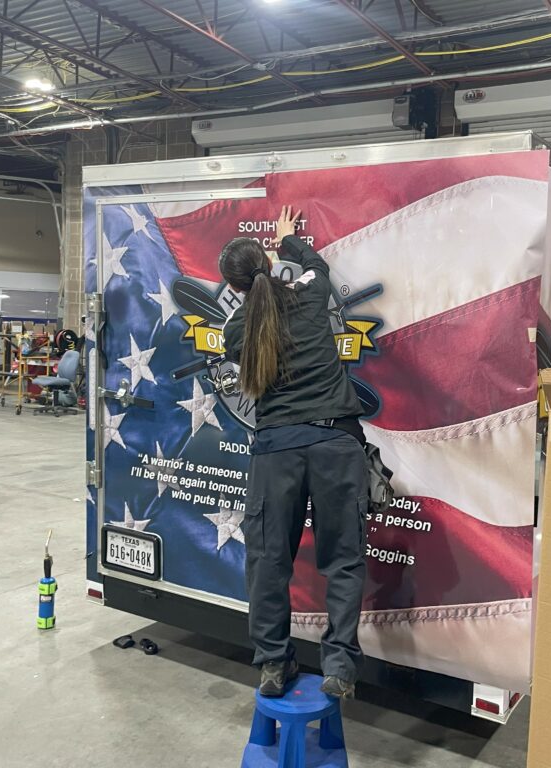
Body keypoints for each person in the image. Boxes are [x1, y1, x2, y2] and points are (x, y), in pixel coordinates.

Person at [221, 206, 369, 699]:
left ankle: (272, 665)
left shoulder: (236, 330)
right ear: (267, 260)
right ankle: (340, 668)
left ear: (237, 286)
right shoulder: (310, 293)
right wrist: (289, 239)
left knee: (267, 559)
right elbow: (319, 267)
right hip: (335, 443)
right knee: (343, 558)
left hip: (276, 450)